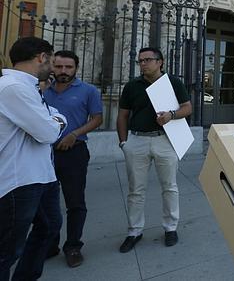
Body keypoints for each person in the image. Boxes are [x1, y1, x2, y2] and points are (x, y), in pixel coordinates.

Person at [0, 37, 66, 280]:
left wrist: (55, 120)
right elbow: (48, 130)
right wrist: (58, 122)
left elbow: (50, 118)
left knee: (49, 226)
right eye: (51, 59)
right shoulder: (13, 88)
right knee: (8, 250)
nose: (54, 65)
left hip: (41, 174)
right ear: (42, 57)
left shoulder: (28, 87)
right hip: (20, 180)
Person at [116, 47, 192, 253]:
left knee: (169, 187)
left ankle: (170, 227)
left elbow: (188, 107)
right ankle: (134, 231)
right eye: (140, 60)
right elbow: (123, 115)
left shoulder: (173, 82)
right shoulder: (132, 86)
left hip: (164, 141)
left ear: (160, 62)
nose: (143, 64)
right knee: (136, 190)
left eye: (148, 60)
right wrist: (124, 143)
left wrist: (171, 115)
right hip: (137, 141)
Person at [43, 50, 103, 268]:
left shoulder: (88, 91)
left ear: (76, 68)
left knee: (75, 202)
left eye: (68, 67)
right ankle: (49, 244)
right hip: (43, 154)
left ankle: (73, 246)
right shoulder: (41, 89)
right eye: (59, 67)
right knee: (45, 203)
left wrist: (74, 134)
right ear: (52, 66)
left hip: (74, 153)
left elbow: (97, 118)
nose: (63, 71)